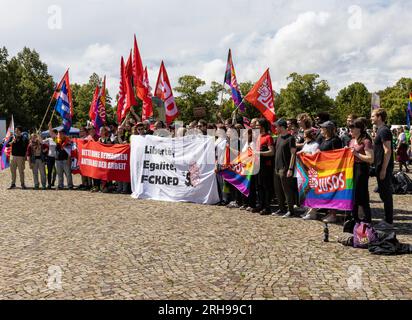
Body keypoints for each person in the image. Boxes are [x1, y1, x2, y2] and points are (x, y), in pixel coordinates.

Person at [371, 108, 394, 229]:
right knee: (383, 194)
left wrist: (384, 169)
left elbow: (387, 150)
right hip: (379, 166)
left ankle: (389, 221)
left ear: (379, 117)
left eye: (373, 116)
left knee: (386, 194)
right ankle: (387, 218)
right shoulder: (380, 130)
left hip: (383, 167)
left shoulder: (384, 131)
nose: (371, 118)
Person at [316, 120, 343, 223]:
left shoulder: (336, 140)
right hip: (323, 169)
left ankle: (333, 214)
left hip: (332, 169)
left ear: (328, 129)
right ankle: (328, 211)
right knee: (326, 191)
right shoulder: (324, 139)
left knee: (333, 191)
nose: (321, 129)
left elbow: (337, 154)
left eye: (322, 128)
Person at [348, 118, 374, 223]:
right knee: (353, 194)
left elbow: (371, 159)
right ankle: (355, 218)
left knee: (361, 194)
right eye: (350, 128)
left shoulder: (366, 141)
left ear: (359, 129)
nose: (350, 130)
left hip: (361, 168)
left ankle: (367, 219)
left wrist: (357, 154)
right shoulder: (351, 141)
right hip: (351, 168)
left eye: (352, 128)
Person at [272, 119, 298, 218]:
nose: (275, 128)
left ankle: (290, 210)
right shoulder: (278, 137)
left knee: (287, 190)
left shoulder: (290, 138)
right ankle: (281, 208)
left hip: (285, 168)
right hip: (276, 168)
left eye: (276, 126)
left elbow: (293, 154)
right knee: (278, 190)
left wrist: (290, 169)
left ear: (282, 127)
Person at [298, 129, 319, 220]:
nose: (303, 136)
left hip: (312, 170)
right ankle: (307, 209)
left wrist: (305, 153)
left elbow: (315, 156)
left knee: (312, 190)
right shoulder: (306, 144)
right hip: (304, 170)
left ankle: (312, 212)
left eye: (305, 135)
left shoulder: (315, 145)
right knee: (306, 189)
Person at [256, 119, 274, 215]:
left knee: (266, 186)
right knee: (259, 186)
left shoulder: (268, 137)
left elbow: (271, 152)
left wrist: (259, 153)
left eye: (257, 125)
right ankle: (261, 205)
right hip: (257, 165)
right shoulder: (258, 136)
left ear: (262, 126)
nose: (256, 127)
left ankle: (267, 207)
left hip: (266, 166)